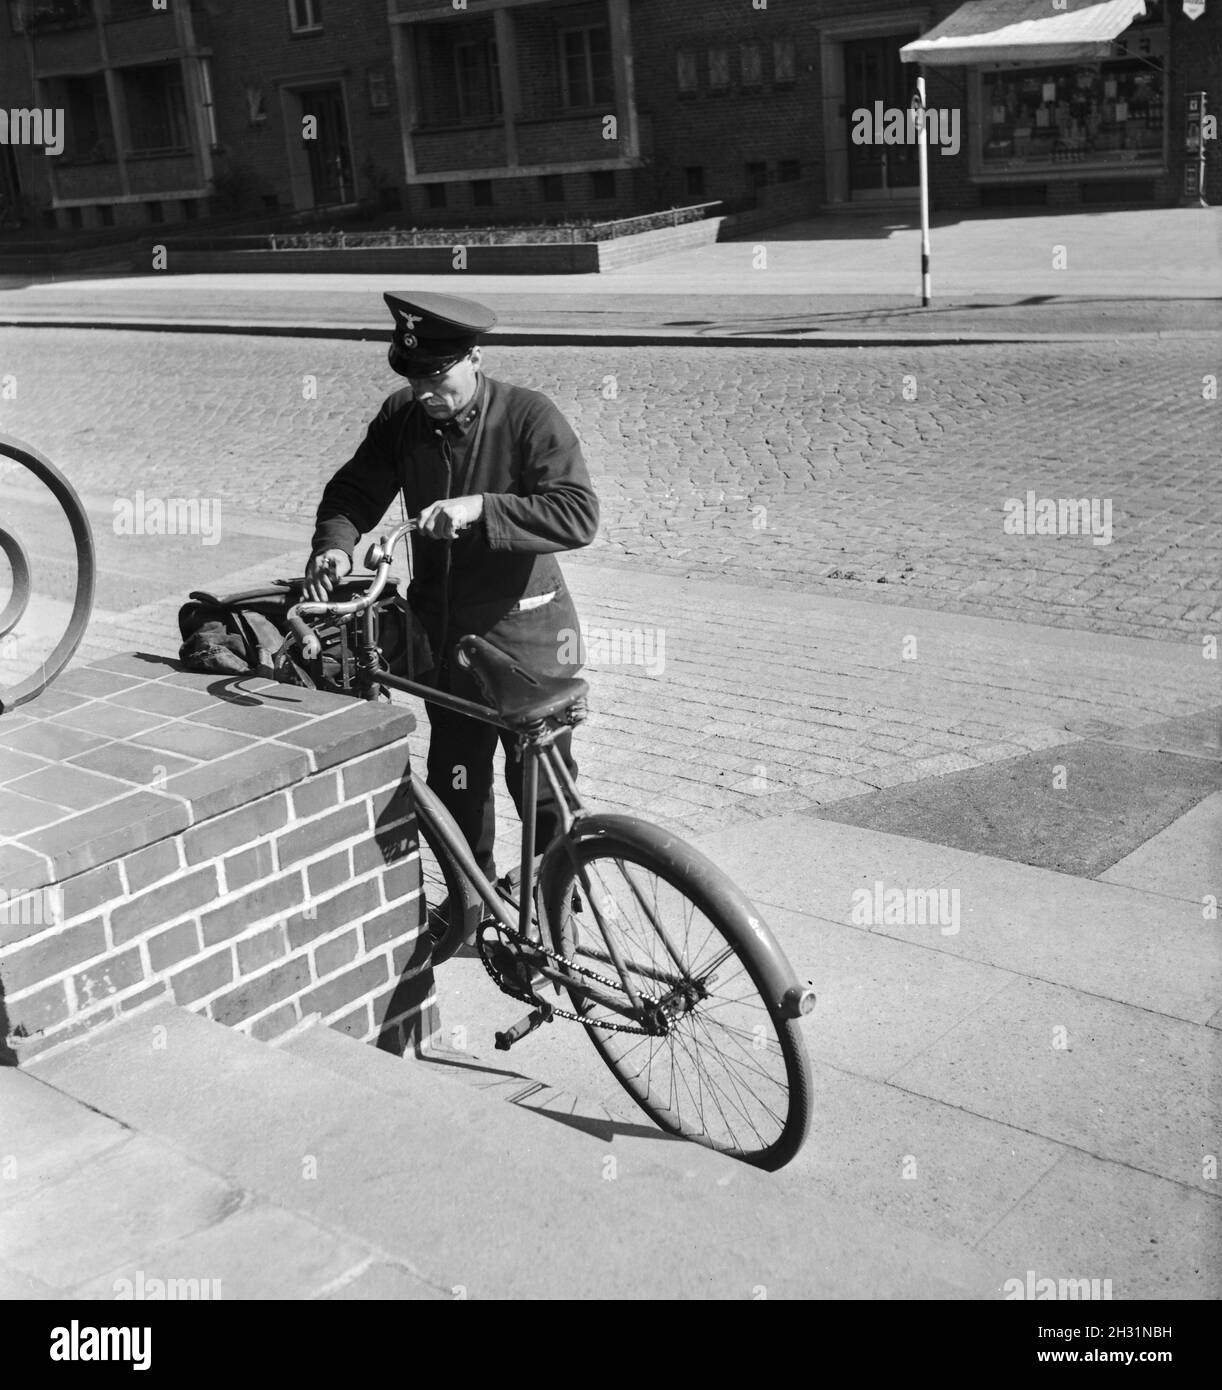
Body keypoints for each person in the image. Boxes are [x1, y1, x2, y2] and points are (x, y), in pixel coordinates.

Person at [306, 290, 599, 885]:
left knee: (541, 787)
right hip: (447, 644)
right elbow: (353, 492)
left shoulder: (528, 416)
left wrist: (481, 509)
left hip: (526, 641)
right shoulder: (402, 418)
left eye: (437, 378)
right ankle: (472, 902)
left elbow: (577, 514)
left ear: (474, 357)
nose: (425, 394)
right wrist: (334, 545)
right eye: (414, 380)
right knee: (456, 782)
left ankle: (557, 906)